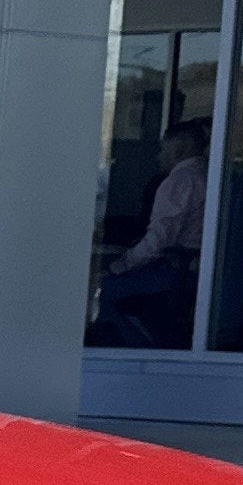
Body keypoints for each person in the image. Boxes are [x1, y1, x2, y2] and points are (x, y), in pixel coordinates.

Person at [94, 119, 210, 348]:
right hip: (197, 271)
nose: (159, 156)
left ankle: (141, 351)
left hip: (176, 272)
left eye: (163, 148)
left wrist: (121, 265)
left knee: (101, 290)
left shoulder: (179, 182)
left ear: (178, 148)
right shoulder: (207, 176)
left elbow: (158, 241)